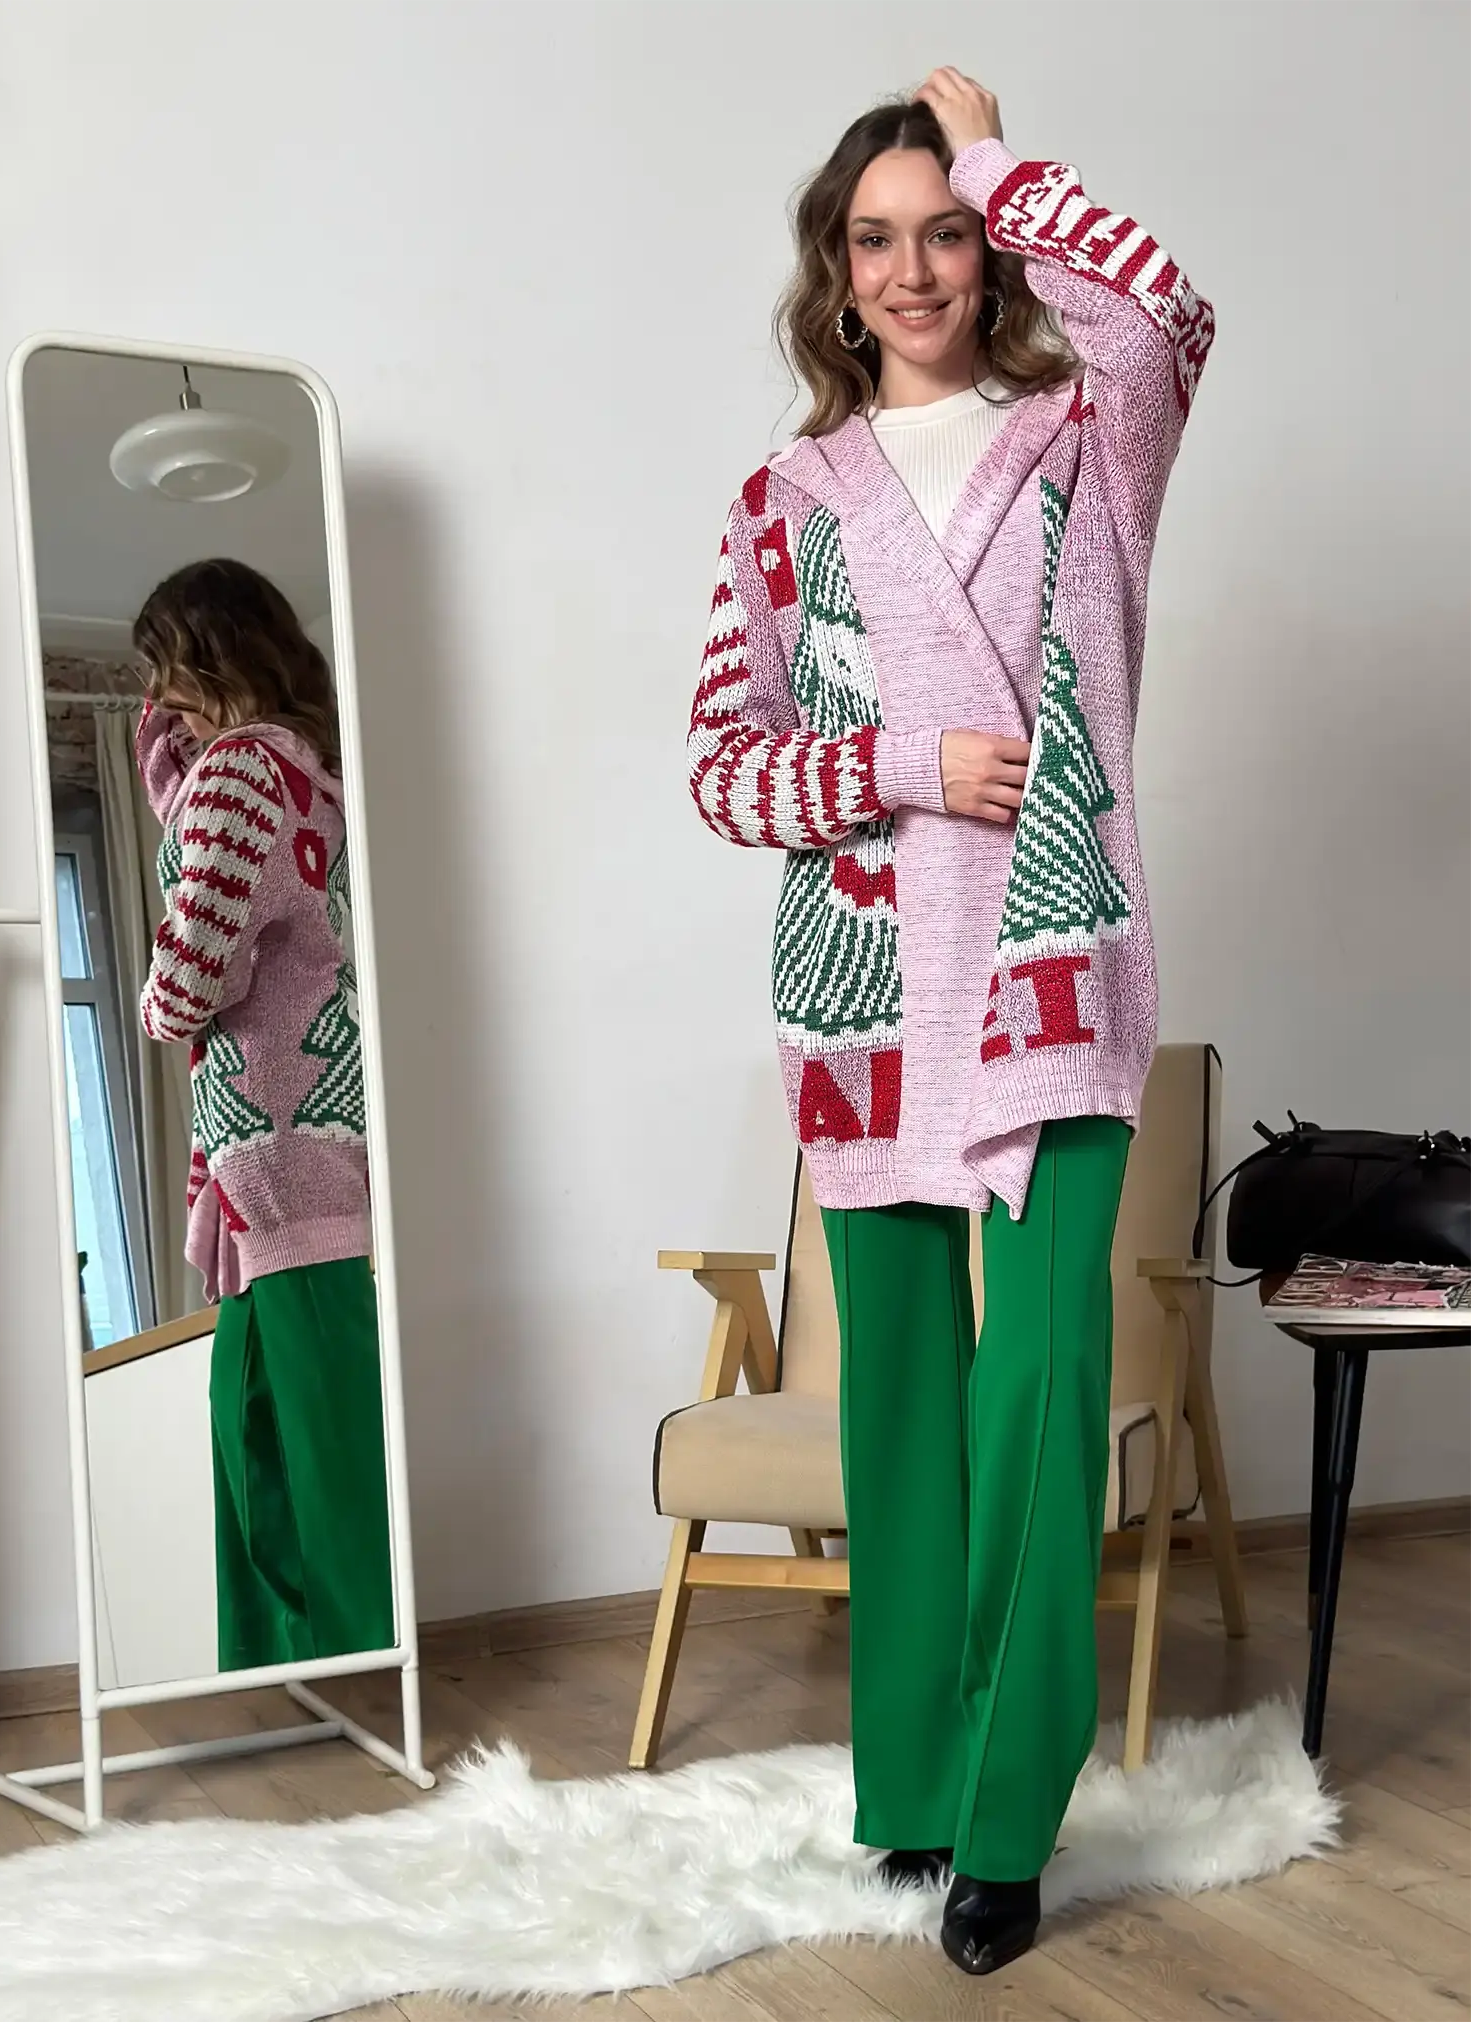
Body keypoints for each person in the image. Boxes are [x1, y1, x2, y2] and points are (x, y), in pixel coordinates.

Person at [686, 68, 1213, 1975]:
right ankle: (908, 1784)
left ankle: (1006, 1816)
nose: (913, 268)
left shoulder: (1088, 440)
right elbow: (722, 768)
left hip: (1056, 976)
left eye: (947, 230)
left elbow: (1164, 306)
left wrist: (993, 147)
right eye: (875, 237)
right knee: (899, 1411)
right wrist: (904, 761)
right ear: (833, 272)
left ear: (991, 248)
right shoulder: (782, 501)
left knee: (1040, 1396)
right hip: (860, 1001)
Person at [133, 558, 394, 1672]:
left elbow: (193, 969)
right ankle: (294, 1667)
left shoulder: (242, 772)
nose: (159, 697)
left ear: (209, 656)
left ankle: (349, 1666)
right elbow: (234, 879)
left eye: (165, 670)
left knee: (311, 1447)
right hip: (290, 1136)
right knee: (266, 1429)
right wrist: (174, 782)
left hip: (281, 1141)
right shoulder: (299, 769)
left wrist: (152, 1005)